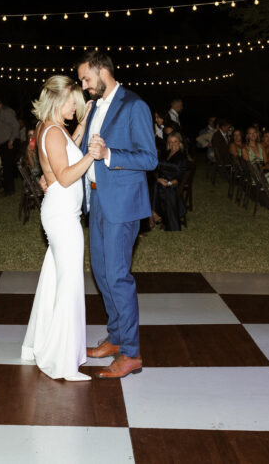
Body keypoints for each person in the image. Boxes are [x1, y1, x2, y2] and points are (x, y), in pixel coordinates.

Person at [76, 51, 158, 380]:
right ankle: (117, 337)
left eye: (86, 78)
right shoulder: (95, 106)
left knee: (118, 276)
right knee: (101, 272)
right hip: (96, 200)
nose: (84, 86)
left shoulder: (134, 105)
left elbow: (149, 158)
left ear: (103, 71)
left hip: (122, 204)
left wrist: (109, 153)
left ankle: (131, 353)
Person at [21, 75, 94, 381]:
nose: (75, 107)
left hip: (60, 212)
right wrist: (91, 155)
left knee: (54, 278)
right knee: (69, 284)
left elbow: (65, 152)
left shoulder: (50, 127)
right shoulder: (52, 131)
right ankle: (62, 362)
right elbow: (64, 176)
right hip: (63, 216)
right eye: (71, 102)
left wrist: (82, 128)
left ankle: (40, 344)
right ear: (57, 100)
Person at [151, 131, 188, 230]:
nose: (173, 144)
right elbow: (157, 168)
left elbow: (181, 175)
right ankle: (155, 213)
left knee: (159, 187)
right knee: (153, 184)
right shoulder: (165, 153)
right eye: (170, 142)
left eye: (175, 141)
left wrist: (169, 182)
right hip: (162, 180)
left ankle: (155, 213)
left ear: (180, 142)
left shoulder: (182, 156)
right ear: (168, 143)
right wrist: (158, 179)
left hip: (174, 183)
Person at [0, 96, 19, 196]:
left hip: (8, 143)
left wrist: (11, 140)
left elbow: (15, 126)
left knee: (7, 167)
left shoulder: (6, 111)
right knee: (6, 166)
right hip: (3, 144)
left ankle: (9, 190)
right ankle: (8, 188)